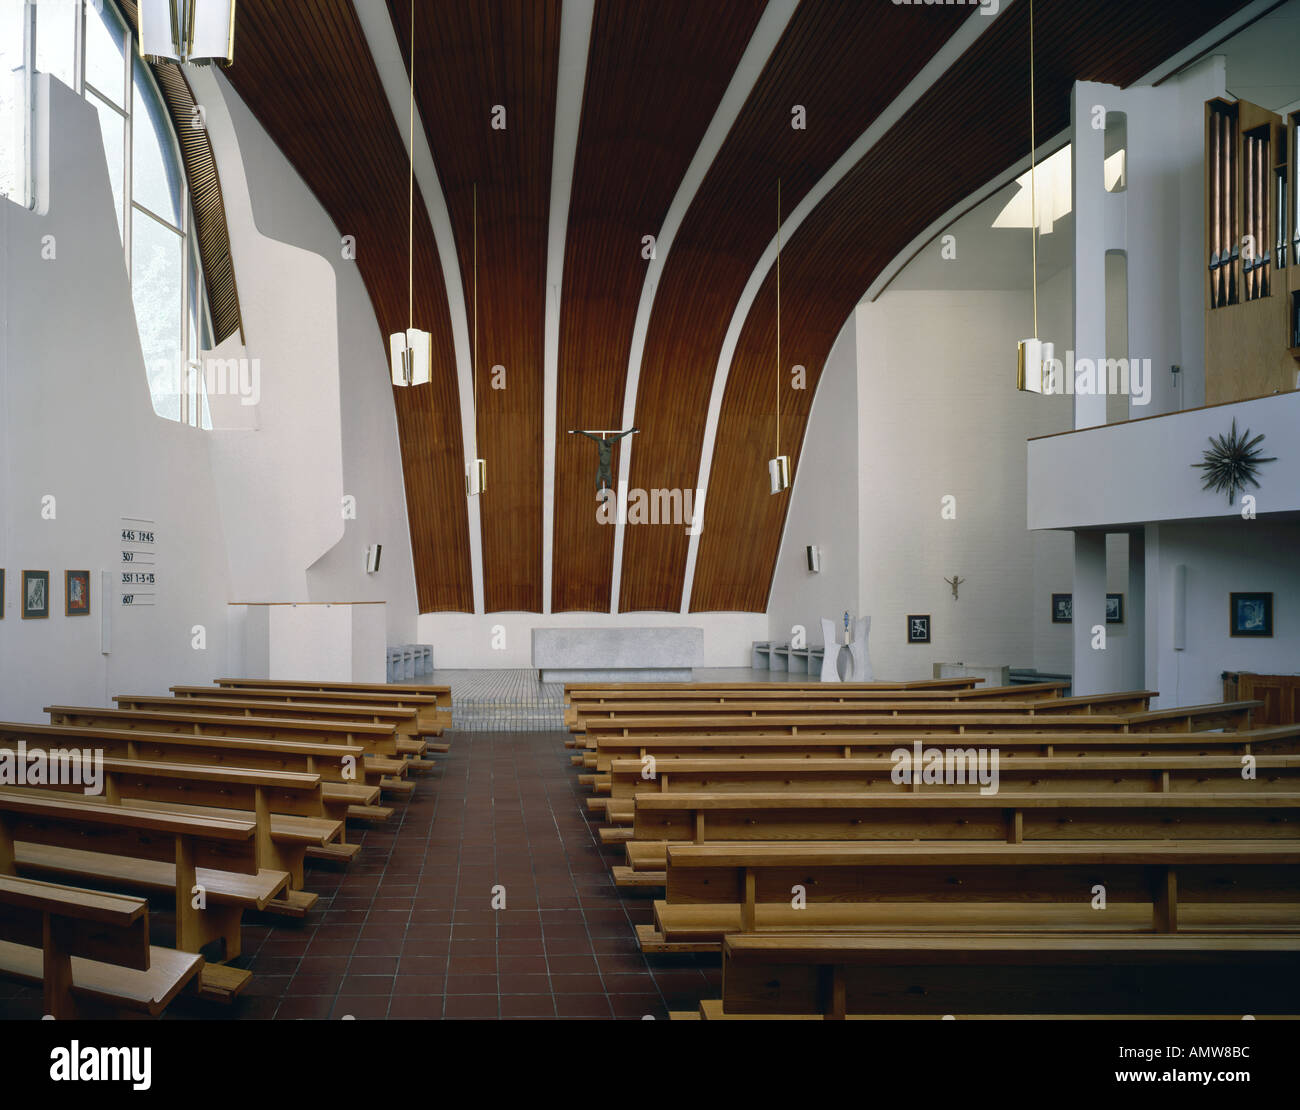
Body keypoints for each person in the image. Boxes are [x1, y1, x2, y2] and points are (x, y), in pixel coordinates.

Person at [573, 427, 637, 492]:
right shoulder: (600, 441)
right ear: (607, 441)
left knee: (609, 484)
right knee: (597, 482)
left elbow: (620, 435)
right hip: (601, 467)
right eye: (609, 443)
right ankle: (601, 493)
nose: (610, 444)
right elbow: (590, 435)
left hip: (607, 468)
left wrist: (630, 431)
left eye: (610, 444)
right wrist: (581, 432)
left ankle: (606, 495)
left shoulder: (611, 441)